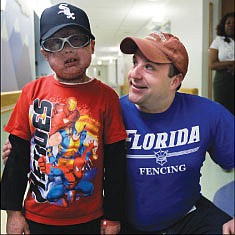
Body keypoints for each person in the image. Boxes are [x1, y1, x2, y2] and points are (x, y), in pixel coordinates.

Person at [0, 2, 127, 234]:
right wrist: (13, 213)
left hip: (90, 218)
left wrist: (113, 216)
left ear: (92, 45)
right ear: (44, 54)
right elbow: (17, 158)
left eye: (76, 40)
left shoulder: (107, 96)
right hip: (38, 217)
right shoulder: (32, 92)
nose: (67, 49)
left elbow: (116, 162)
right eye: (55, 43)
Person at [118, 32, 234, 234]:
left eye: (149, 67)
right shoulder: (113, 114)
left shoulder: (208, 114)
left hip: (188, 217)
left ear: (174, 81)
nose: (134, 74)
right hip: (127, 223)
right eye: (135, 62)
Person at [208, 12, 235, 114]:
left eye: (234, 23)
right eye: (228, 23)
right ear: (223, 25)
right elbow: (212, 65)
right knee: (223, 111)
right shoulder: (218, 41)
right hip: (223, 81)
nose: (231, 25)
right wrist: (232, 63)